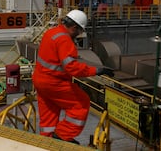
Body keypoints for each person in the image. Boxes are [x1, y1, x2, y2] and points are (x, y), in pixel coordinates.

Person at [32, 9, 114, 144]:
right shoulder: (65, 40)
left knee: (49, 114)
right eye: (80, 31)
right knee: (81, 104)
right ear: (74, 27)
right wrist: (96, 71)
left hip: (40, 80)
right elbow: (72, 68)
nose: (79, 34)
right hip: (54, 82)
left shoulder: (51, 32)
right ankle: (63, 135)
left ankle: (46, 142)